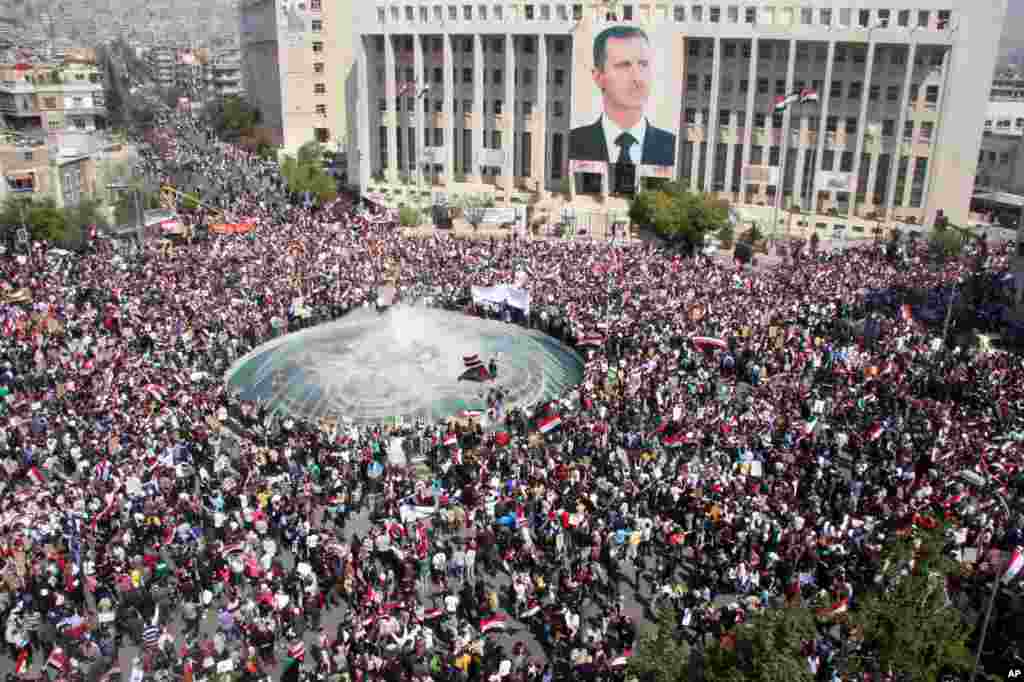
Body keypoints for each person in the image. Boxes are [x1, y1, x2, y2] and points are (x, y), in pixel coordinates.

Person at [568, 26, 676, 166]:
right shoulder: (574, 142)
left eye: (643, 64)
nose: (638, 78)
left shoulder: (670, 146)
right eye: (624, 66)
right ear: (598, 77)